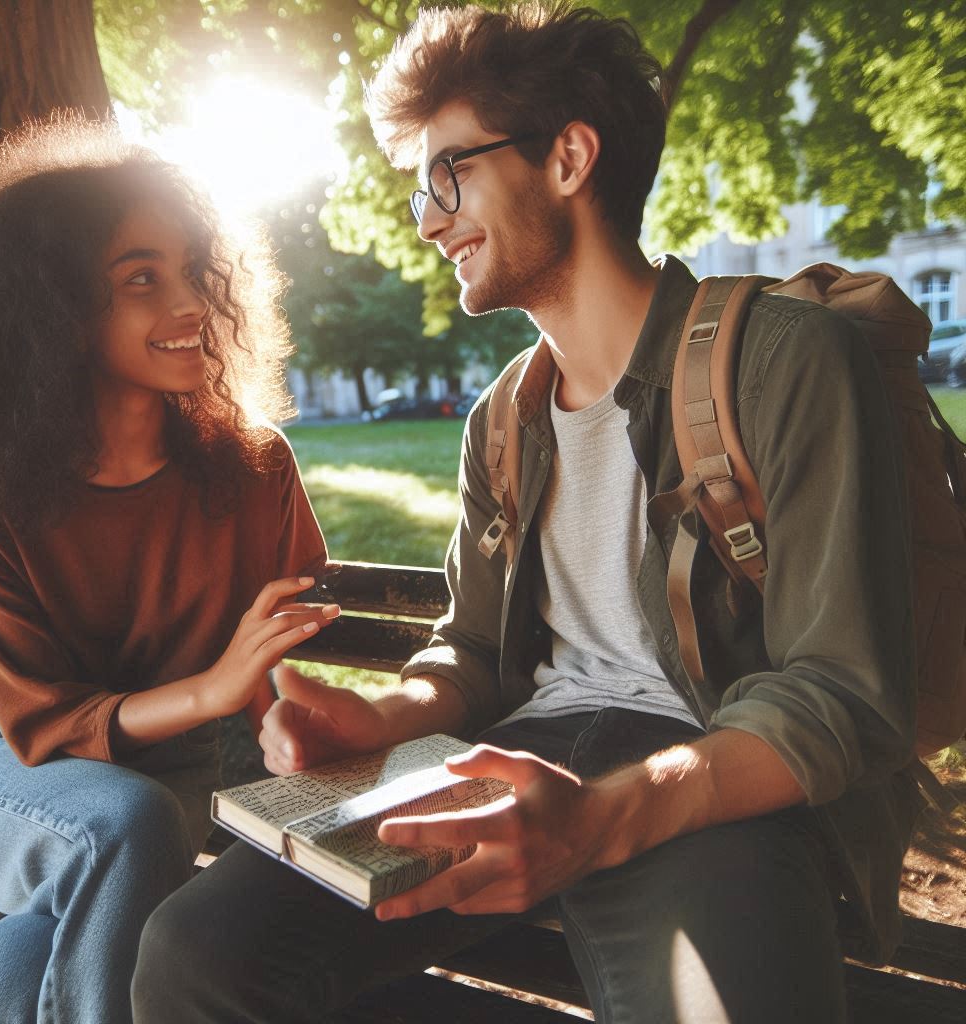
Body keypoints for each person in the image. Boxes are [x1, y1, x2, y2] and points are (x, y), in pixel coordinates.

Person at [133, 4, 922, 1022]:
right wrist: (382, 716)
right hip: (515, 756)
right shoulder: (503, 414)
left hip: (713, 772)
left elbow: (839, 692)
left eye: (448, 173)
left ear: (568, 158)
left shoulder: (780, 359)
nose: (426, 218)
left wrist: (601, 817)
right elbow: (468, 651)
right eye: (420, 188)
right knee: (191, 955)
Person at [0, 118, 336, 1024]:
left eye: (196, 268)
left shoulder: (255, 470)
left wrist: (294, 731)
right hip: (10, 772)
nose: (192, 300)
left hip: (168, 781)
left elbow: (279, 674)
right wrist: (210, 689)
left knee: (9, 975)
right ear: (58, 313)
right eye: (141, 278)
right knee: (128, 821)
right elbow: (43, 725)